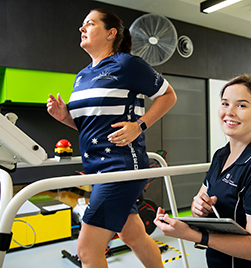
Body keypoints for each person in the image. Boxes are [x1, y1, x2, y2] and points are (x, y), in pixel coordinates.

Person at [47, 8, 177, 268]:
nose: (82, 29)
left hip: (121, 168)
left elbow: (168, 96)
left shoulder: (126, 64)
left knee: (86, 249)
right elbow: (92, 129)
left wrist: (139, 125)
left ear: (111, 33)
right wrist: (65, 118)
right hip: (97, 171)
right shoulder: (82, 76)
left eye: (90, 24)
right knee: (133, 235)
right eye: (82, 24)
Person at [154, 75, 251, 268]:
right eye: (225, 103)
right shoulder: (221, 155)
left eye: (241, 105)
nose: (229, 112)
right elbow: (201, 199)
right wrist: (198, 208)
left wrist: (191, 234)